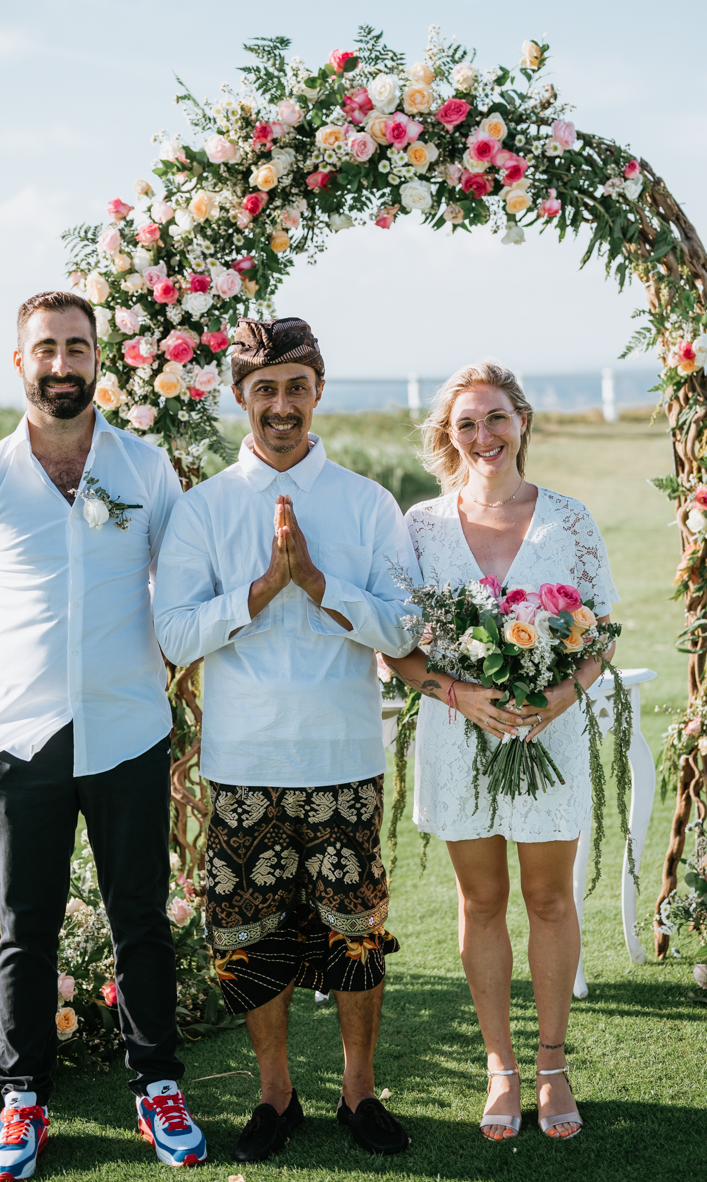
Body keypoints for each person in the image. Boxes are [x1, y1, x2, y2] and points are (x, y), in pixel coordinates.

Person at [0, 291, 206, 1179]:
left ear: (99, 358)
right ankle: (23, 1100)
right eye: (46, 348)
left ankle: (157, 1087)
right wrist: (26, 699)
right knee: (25, 928)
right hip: (25, 743)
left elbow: (179, 597)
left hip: (129, 732)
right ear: (21, 361)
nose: (62, 363)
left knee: (142, 920)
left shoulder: (145, 469)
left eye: (77, 347)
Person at [153, 317, 419, 1163]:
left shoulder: (367, 502)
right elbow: (173, 633)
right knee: (249, 935)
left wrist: (320, 583)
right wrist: (264, 589)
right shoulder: (202, 509)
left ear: (319, 392)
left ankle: (358, 1093)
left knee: (355, 934)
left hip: (343, 753)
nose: (280, 405)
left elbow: (406, 628)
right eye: (264, 389)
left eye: (296, 387)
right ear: (240, 396)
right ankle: (276, 1096)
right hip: (244, 760)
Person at [383, 360, 619, 1143]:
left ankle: (552, 1066)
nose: (483, 435)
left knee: (549, 900)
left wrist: (559, 697)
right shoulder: (420, 527)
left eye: (495, 418)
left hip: (551, 735)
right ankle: (500, 1066)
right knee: (480, 901)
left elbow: (602, 635)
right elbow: (394, 649)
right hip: (459, 738)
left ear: (521, 421)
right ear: (448, 436)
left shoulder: (569, 520)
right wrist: (459, 695)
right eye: (466, 423)